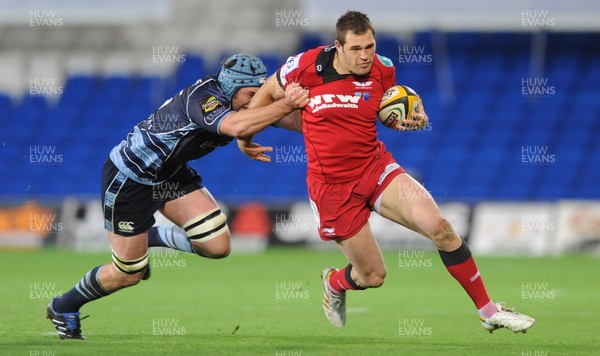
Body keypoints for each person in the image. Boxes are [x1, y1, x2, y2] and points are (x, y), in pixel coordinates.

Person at [238, 11, 535, 333]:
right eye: (356, 49)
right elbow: (267, 92)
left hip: (375, 168)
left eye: (370, 46)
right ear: (338, 46)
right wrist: (245, 136)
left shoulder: (384, 70)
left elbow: (382, 109)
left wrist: (413, 116)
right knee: (373, 276)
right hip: (333, 188)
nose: (365, 55)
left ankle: (488, 310)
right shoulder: (306, 66)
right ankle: (335, 283)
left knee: (442, 229)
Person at [47, 53, 309, 339]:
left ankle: (151, 237)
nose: (255, 100)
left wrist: (325, 113)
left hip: (170, 175)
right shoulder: (204, 97)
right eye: (250, 94)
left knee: (217, 246)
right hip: (130, 179)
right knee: (128, 274)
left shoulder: (241, 100)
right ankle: (64, 306)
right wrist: (285, 103)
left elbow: (288, 119)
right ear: (233, 88)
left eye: (259, 94)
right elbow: (237, 126)